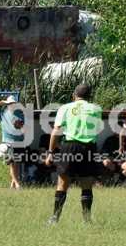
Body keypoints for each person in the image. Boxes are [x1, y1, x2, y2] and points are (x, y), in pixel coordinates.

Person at [44, 84, 103, 224]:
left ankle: (55, 218)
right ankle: (87, 220)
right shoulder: (96, 109)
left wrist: (50, 152)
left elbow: (56, 131)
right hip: (88, 148)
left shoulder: (65, 108)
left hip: (69, 146)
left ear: (74, 95)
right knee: (87, 184)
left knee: (62, 183)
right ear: (89, 96)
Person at [0, 95, 25, 189]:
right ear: (7, 104)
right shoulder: (2, 113)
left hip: (19, 141)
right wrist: (0, 102)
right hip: (7, 143)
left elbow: (23, 128)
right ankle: (17, 184)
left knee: (17, 164)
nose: (12, 105)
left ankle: (12, 184)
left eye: (13, 103)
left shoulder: (20, 113)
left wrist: (20, 126)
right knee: (12, 164)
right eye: (10, 103)